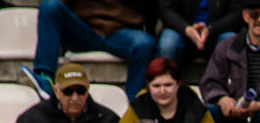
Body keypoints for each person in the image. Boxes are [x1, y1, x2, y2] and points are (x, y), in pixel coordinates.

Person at [28, 0, 161, 102]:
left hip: (120, 32)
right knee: (50, 6)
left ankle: (135, 103)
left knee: (144, 43)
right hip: (84, 30)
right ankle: (45, 78)